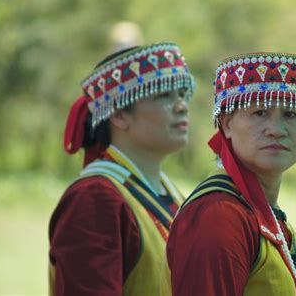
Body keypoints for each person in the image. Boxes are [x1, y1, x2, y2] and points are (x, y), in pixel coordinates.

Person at [166, 52, 296, 296]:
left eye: (291, 114)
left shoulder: (264, 213)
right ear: (227, 124)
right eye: (260, 113)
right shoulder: (219, 215)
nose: (276, 129)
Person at [49, 42, 195, 295]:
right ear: (118, 115)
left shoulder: (169, 191)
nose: (182, 106)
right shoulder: (95, 198)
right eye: (163, 95)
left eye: (183, 94)